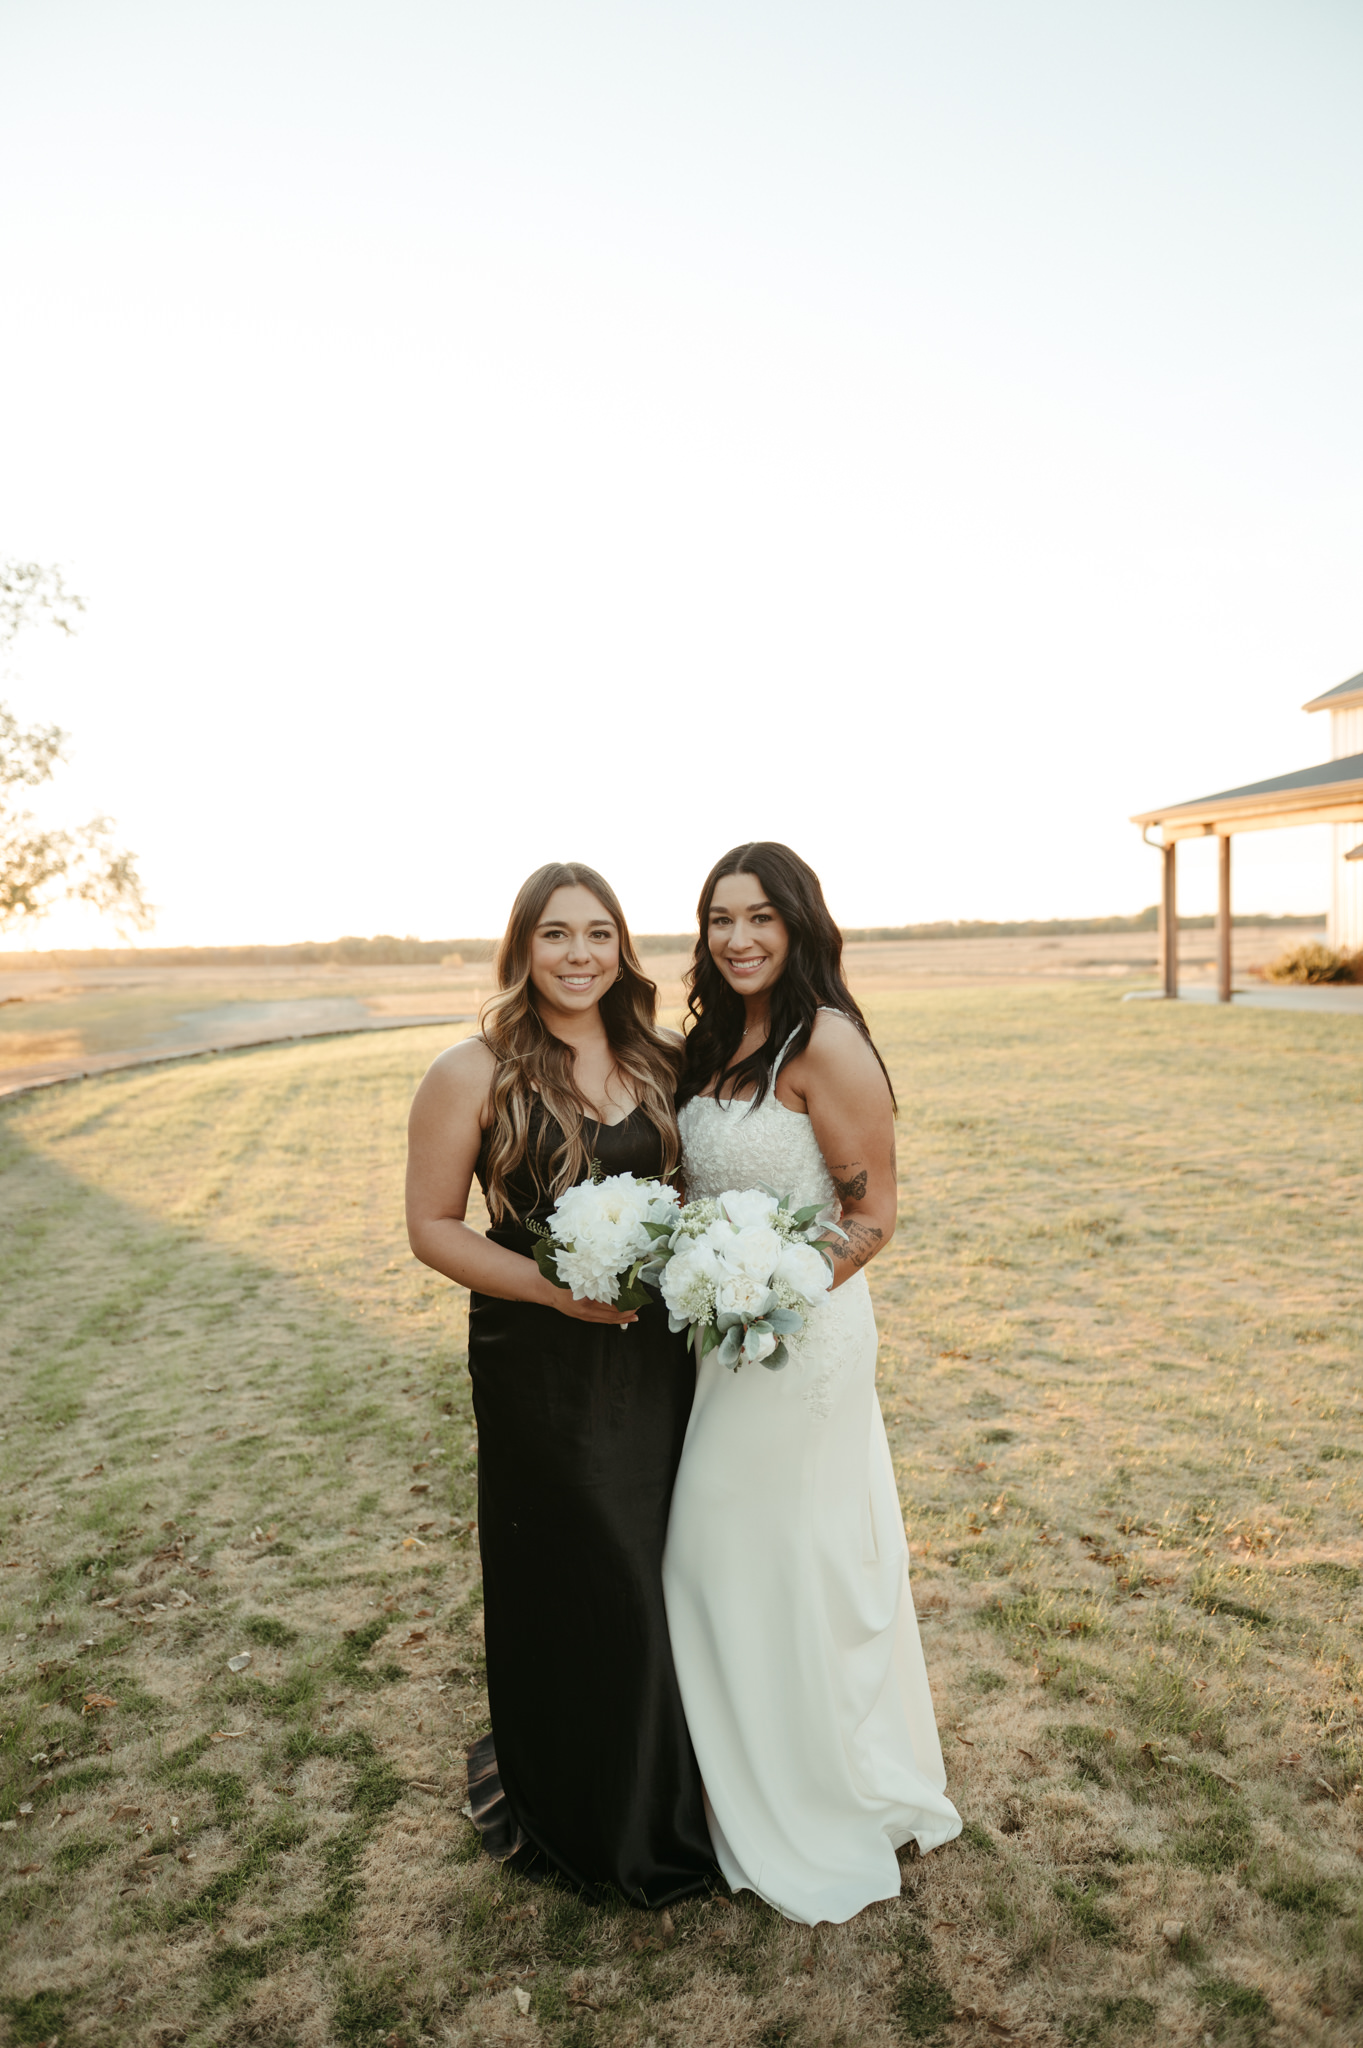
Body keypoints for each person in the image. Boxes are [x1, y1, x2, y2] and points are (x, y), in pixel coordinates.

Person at [662, 841, 961, 1925]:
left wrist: (767, 1290)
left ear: (798, 924)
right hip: (718, 1337)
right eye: (719, 918)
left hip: (799, 1339)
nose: (737, 938)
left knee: (745, 1555)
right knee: (737, 1560)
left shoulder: (824, 1041)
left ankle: (799, 1797)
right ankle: (740, 1780)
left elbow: (872, 1215)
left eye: (760, 917)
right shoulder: (712, 1041)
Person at [406, 861, 714, 1906]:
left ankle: (685, 1779)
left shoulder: (662, 1059)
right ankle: (589, 1798)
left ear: (621, 947)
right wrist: (550, 1289)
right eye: (555, 934)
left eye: (598, 933)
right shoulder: (471, 1070)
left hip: (658, 1348)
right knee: (585, 1563)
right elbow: (432, 1227)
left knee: (668, 1557)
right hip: (538, 1354)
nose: (578, 954)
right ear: (522, 947)